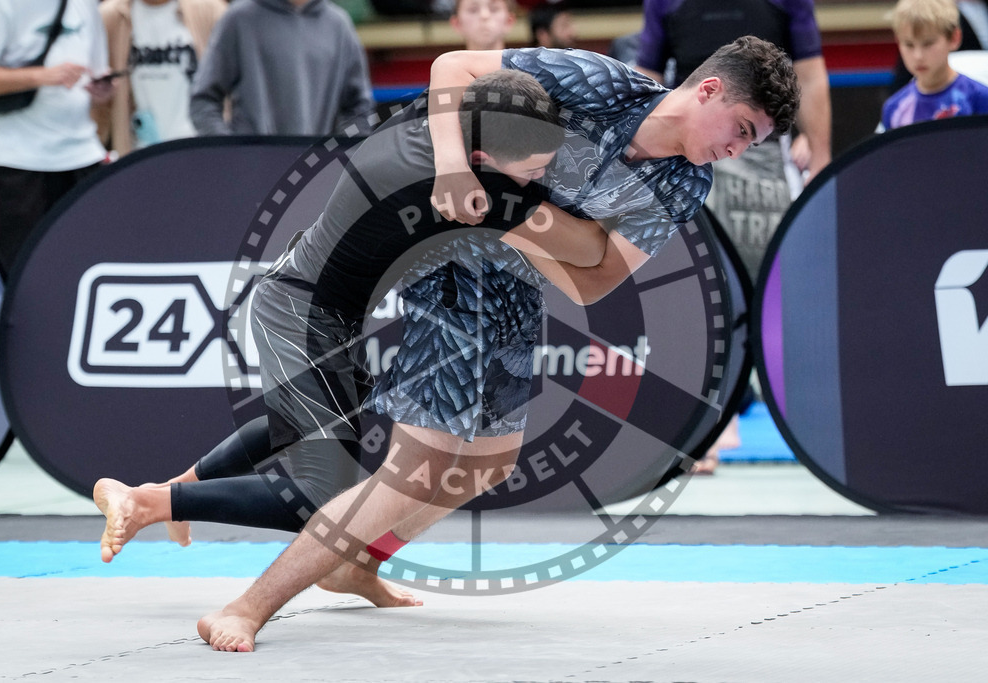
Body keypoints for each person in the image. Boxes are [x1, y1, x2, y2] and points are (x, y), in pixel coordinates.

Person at [194, 38, 799, 652]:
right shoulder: (595, 81)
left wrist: (513, 216)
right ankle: (247, 607)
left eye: (754, 143)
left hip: (511, 280)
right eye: (743, 129)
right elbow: (451, 67)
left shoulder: (686, 184)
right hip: (442, 253)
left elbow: (597, 279)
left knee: (487, 464)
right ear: (710, 89)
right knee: (419, 466)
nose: (738, 150)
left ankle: (357, 563)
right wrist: (459, 169)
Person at [93, 67, 608, 588]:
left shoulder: (426, 121)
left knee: (309, 420)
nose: (537, 181)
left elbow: (450, 69)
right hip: (298, 315)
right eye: (532, 170)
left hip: (319, 301)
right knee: (320, 496)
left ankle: (177, 489)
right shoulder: (471, 192)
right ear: (483, 162)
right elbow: (590, 251)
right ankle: (147, 502)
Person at [633, 0, 832, 473]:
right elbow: (646, 76)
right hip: (689, 145)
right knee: (696, 291)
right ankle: (710, 422)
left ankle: (788, 411)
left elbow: (811, 73)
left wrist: (820, 152)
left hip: (761, 150)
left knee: (768, 287)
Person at [0, 0, 112, 273]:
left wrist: (102, 90)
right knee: (18, 275)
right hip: (16, 163)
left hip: (83, 158)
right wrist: (40, 76)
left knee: (85, 271)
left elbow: (95, 73)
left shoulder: (86, 5)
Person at [189, 0, 374, 137]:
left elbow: (360, 107)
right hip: (251, 174)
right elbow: (203, 100)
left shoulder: (338, 25)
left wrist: (336, 156)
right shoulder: (239, 19)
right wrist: (230, 153)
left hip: (316, 178)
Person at [95, 0, 228, 157]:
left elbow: (232, 88)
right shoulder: (111, 16)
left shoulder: (210, 11)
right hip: (140, 155)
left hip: (201, 150)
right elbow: (99, 105)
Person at [880, 0, 988, 131]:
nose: (918, 56)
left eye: (928, 44)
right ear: (898, 42)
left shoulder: (979, 98)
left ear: (954, 38)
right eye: (909, 44)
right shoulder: (894, 109)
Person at [450, 0, 516, 50]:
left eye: (494, 9)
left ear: (509, 21)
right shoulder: (446, 67)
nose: (484, 15)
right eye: (473, 10)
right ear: (457, 23)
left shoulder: (524, 67)